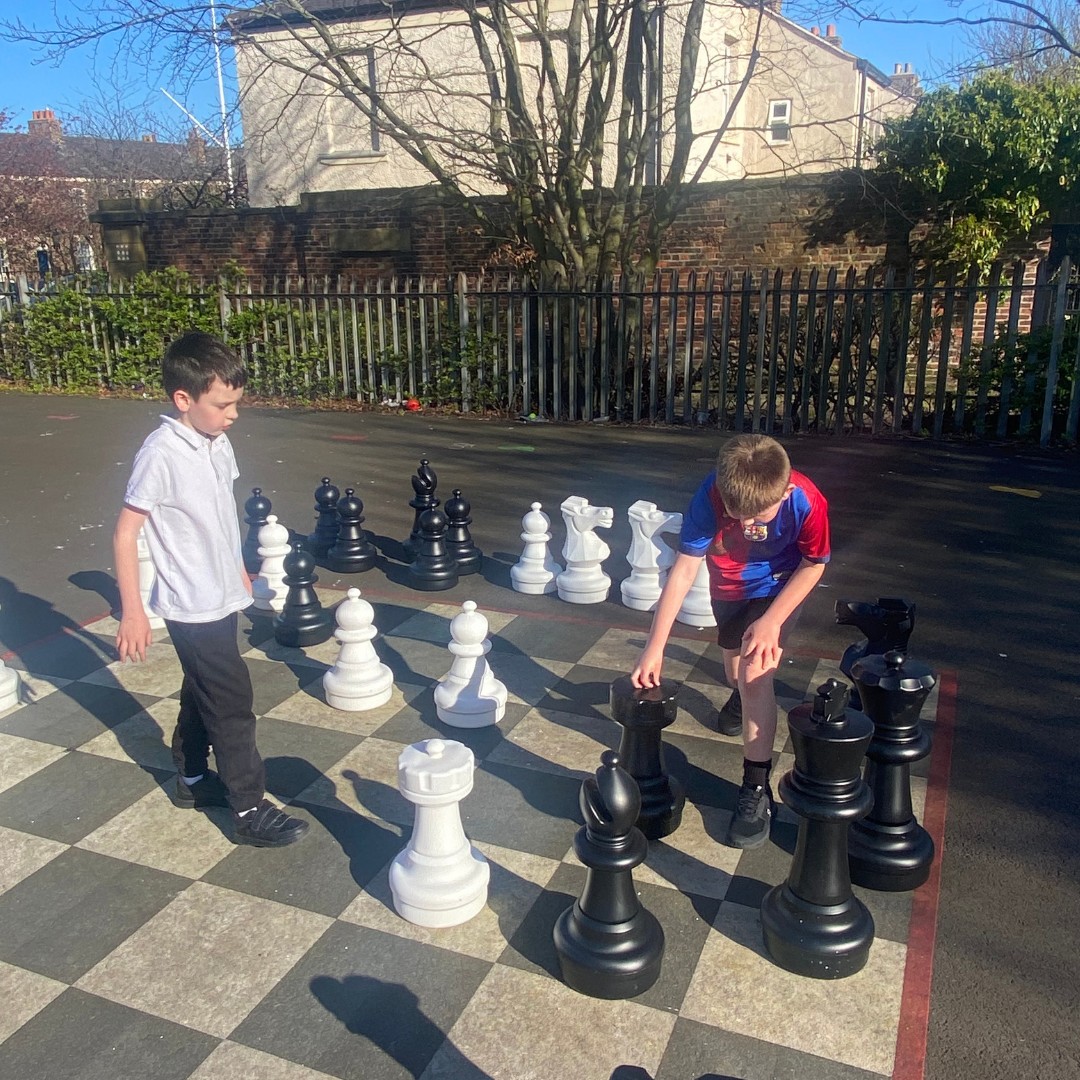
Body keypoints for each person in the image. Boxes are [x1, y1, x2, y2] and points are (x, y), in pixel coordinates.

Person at [112, 331, 308, 848]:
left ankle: (192, 778)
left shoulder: (217, 442)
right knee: (232, 701)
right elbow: (125, 531)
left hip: (222, 592)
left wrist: (239, 565)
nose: (233, 414)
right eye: (222, 404)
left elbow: (221, 508)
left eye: (236, 403)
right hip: (190, 604)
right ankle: (248, 809)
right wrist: (132, 611)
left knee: (205, 687)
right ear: (184, 399)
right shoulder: (160, 453)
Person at [631, 434, 830, 850]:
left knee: (757, 673)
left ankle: (757, 789)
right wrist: (655, 646)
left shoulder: (807, 502)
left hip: (781, 585)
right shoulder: (711, 494)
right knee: (735, 671)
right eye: (737, 515)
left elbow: (813, 565)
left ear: (786, 489)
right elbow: (684, 571)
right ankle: (741, 693)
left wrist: (772, 620)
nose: (745, 526)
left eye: (758, 515)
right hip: (731, 585)